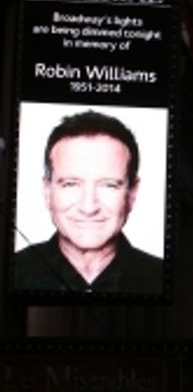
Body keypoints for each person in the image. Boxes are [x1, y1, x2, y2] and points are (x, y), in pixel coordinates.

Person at [11, 109, 163, 293]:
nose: (88, 207)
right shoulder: (11, 271)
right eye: (70, 184)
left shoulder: (161, 278)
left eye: (109, 185)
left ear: (132, 193)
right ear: (47, 190)